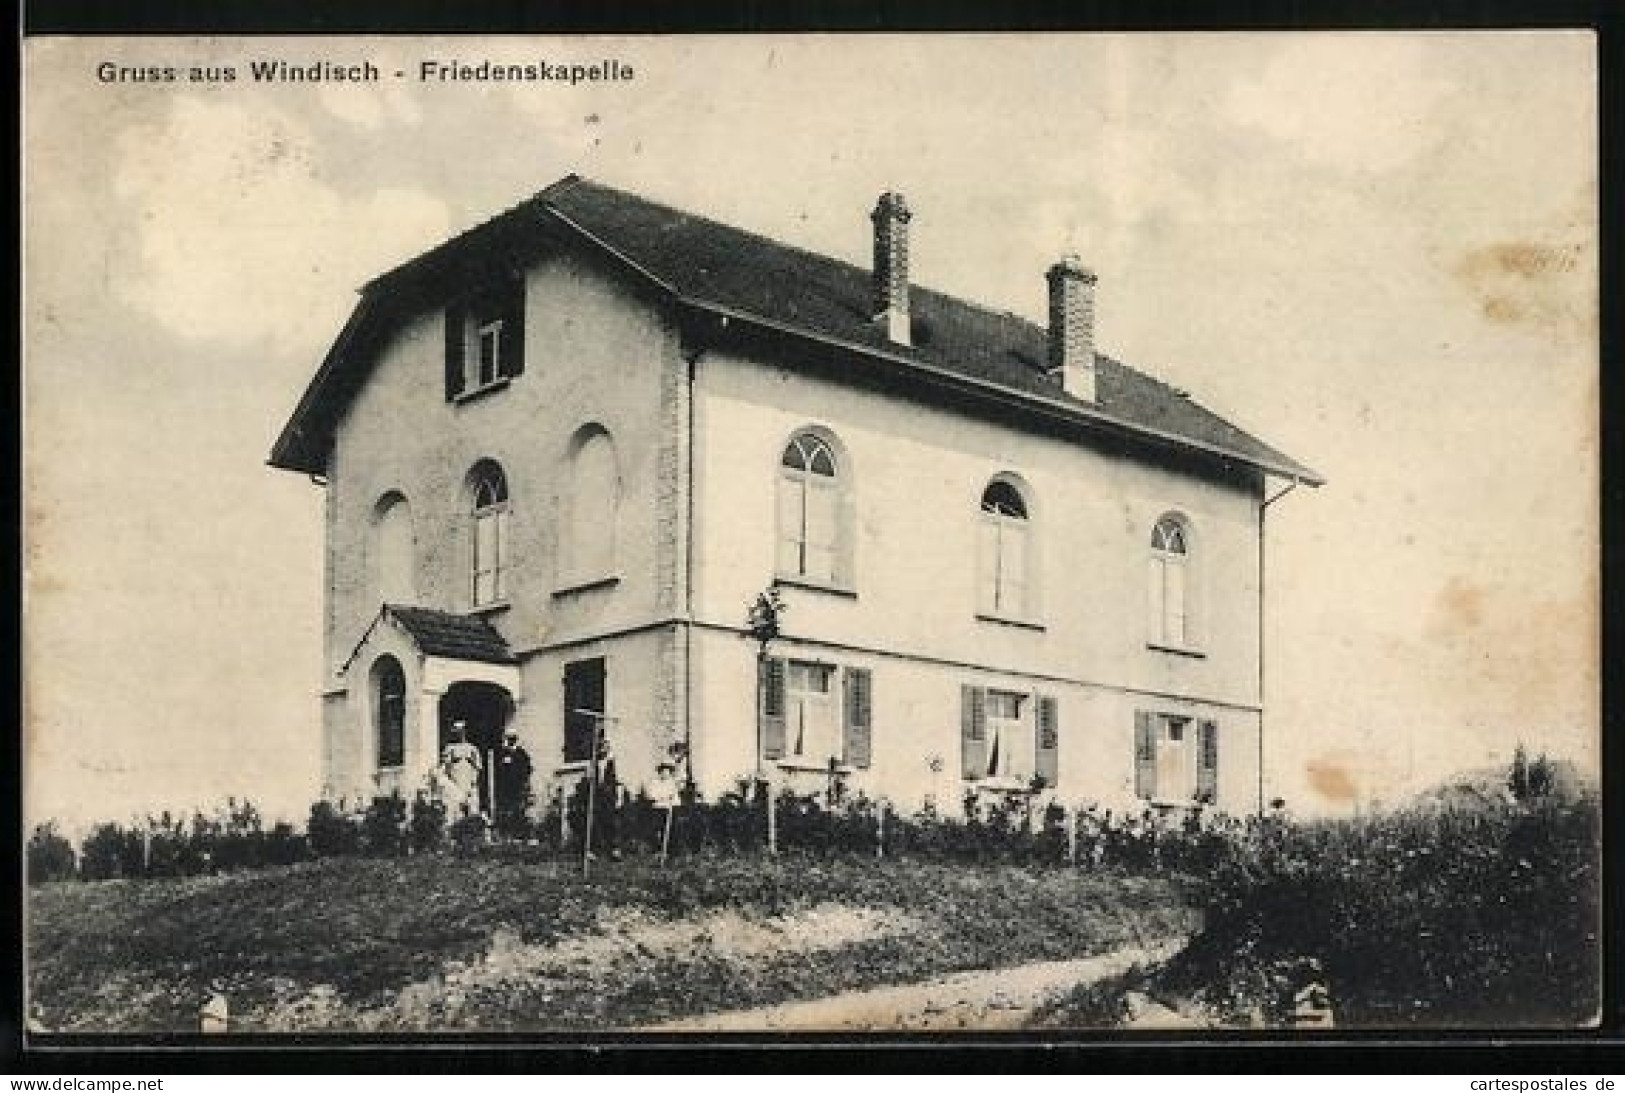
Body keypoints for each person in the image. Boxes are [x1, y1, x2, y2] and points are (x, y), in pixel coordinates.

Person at [493, 727, 533, 839]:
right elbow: (497, 770)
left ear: (515, 739)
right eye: (509, 738)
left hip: (517, 786)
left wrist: (523, 781)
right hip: (505, 787)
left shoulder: (521, 753)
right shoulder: (502, 753)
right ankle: (505, 834)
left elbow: (527, 769)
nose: (510, 741)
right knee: (505, 809)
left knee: (518, 809)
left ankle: (518, 833)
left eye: (512, 738)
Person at [440, 721, 483, 818]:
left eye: (461, 732)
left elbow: (477, 767)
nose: (459, 734)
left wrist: (474, 780)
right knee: (455, 806)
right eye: (457, 732)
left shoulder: (472, 748)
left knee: (471, 805)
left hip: (468, 780)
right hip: (455, 781)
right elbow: (445, 767)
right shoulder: (449, 748)